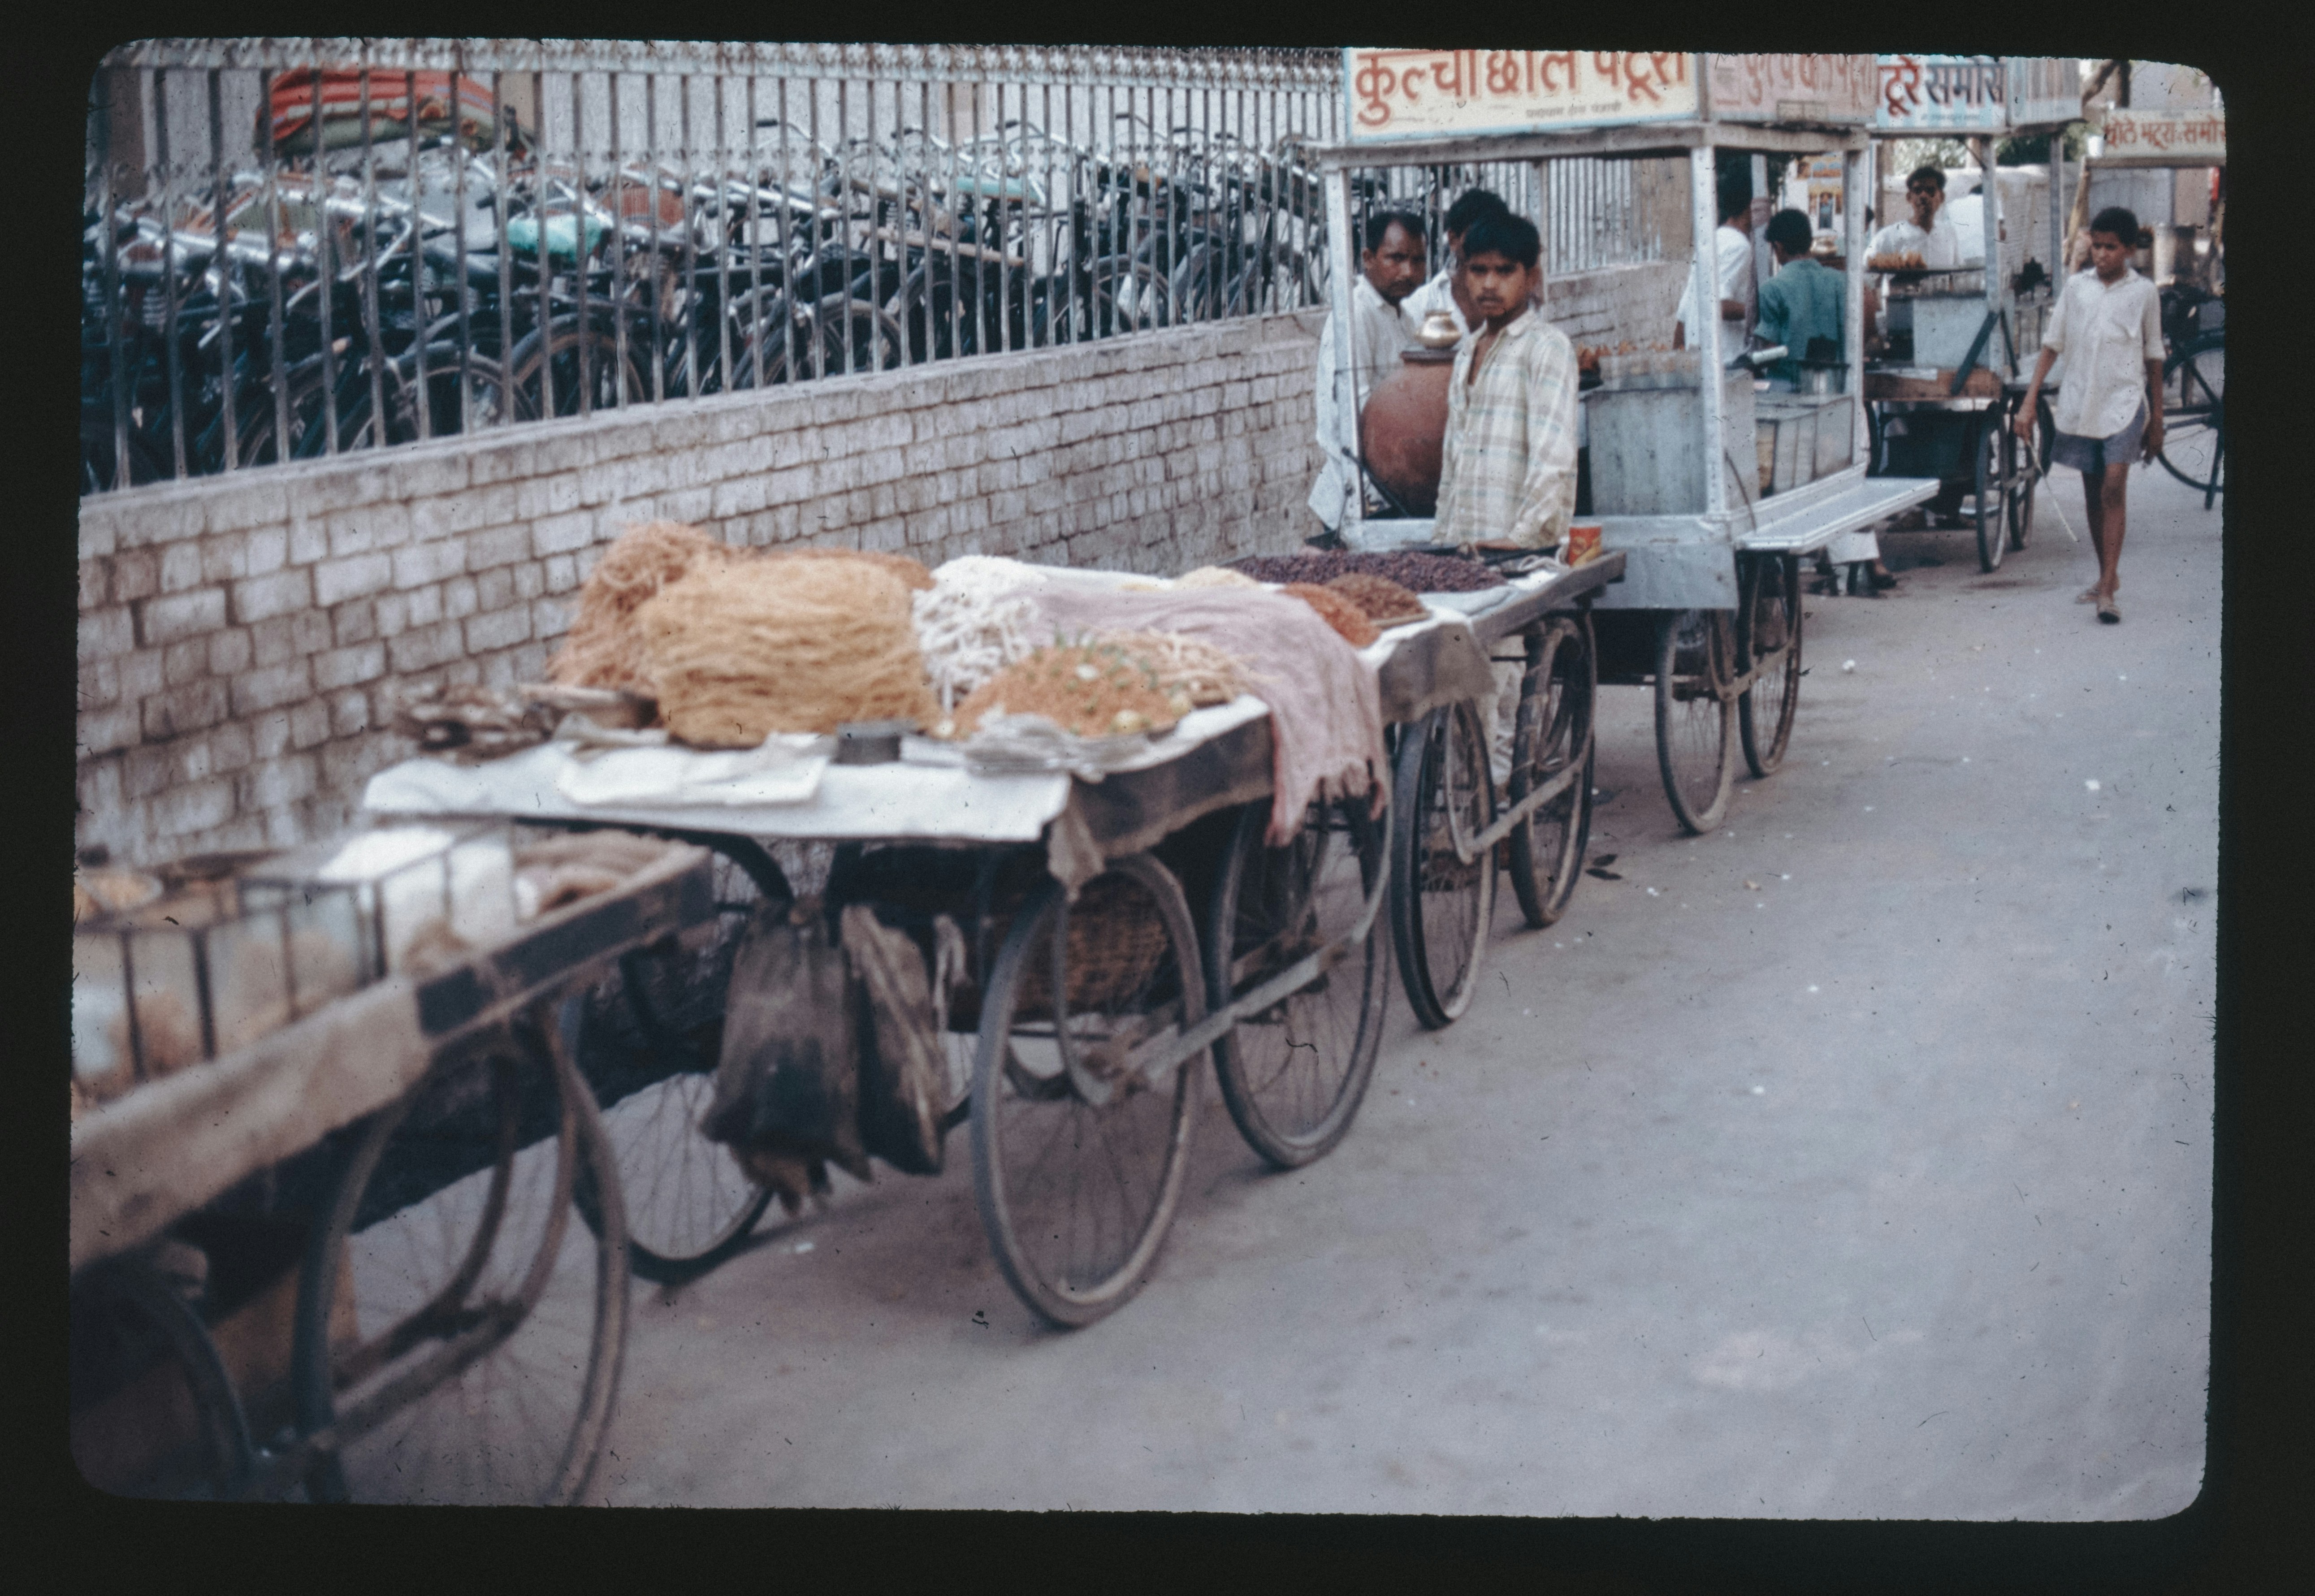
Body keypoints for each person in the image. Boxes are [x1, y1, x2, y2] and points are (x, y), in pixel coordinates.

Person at [1432, 212, 1580, 784]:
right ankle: (1468, 797)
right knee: (1458, 684)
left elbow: (1553, 455)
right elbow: (1453, 460)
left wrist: (1522, 537)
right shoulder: (1468, 349)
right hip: (1463, 545)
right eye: (1479, 271)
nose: (1489, 284)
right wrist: (1446, 541)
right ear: (1463, 276)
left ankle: (1495, 804)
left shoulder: (1546, 348)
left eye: (1504, 272)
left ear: (1531, 276)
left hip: (1514, 550)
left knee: (1500, 679)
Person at [2014, 206, 2165, 624]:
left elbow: (2154, 357)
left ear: (2129, 250)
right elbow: (2051, 345)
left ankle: (2106, 589)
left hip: (2125, 404)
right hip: (2082, 403)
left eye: (2110, 247)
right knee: (2093, 493)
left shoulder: (2143, 293)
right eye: (2096, 246)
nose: (2101, 255)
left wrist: (2158, 420)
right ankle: (2105, 577)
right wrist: (2029, 402)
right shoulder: (2076, 288)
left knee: (2113, 487)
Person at [1307, 208, 1428, 538]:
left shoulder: (1404, 316)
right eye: (1396, 258)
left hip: (1389, 493)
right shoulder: (1356, 313)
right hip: (1358, 498)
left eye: (1417, 261)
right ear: (1368, 258)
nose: (1408, 271)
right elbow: (1355, 411)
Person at [1403, 188, 1513, 338]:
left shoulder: (1514, 302)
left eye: (1495, 237)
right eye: (1477, 237)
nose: (1487, 246)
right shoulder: (1422, 304)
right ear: (1453, 240)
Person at [1753, 208, 1844, 387]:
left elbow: (1771, 354)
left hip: (1788, 391)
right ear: (1810, 242)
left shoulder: (1772, 290)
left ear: (1778, 247)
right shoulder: (1841, 282)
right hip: (1834, 389)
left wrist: (1751, 361)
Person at [1673, 170, 1757, 353]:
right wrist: (1757, 311)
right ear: (1751, 207)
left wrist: (1677, 357)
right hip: (1726, 360)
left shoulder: (1712, 241)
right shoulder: (1740, 247)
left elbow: (1685, 312)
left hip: (1699, 357)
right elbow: (1718, 305)